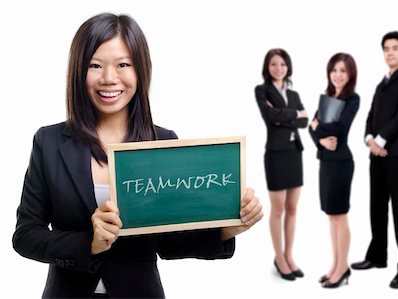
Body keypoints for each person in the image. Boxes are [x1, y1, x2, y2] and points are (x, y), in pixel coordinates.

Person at [12, 13, 263, 298]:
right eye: (95, 65)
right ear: (79, 71)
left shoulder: (163, 142)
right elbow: (26, 235)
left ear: (141, 70)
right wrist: (89, 244)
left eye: (123, 65)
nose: (109, 78)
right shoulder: (50, 141)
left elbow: (169, 242)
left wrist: (227, 229)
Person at [351, 31, 398, 289]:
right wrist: (369, 138)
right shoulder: (381, 83)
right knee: (376, 207)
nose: (390, 52)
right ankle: (377, 256)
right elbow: (371, 115)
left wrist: (380, 141)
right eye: (386, 48)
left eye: (395, 48)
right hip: (376, 153)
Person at [255, 48, 308, 281]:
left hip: (295, 152)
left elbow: (305, 121)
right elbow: (269, 117)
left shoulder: (293, 93)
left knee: (293, 207)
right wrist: (293, 115)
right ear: (267, 67)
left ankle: (289, 255)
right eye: (274, 64)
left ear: (288, 67)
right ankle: (278, 257)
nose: (279, 68)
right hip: (276, 155)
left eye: (283, 64)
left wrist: (282, 115)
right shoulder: (261, 90)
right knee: (278, 209)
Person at [309, 53, 359, 288]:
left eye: (342, 70)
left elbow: (342, 127)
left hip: (341, 163)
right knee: (331, 217)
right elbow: (311, 128)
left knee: (340, 216)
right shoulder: (327, 97)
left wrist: (319, 128)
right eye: (334, 70)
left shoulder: (352, 99)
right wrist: (320, 140)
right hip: (325, 162)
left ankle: (343, 268)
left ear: (350, 74)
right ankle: (335, 265)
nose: (338, 74)